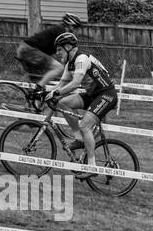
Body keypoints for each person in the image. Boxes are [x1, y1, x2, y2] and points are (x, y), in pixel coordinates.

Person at [46, 32, 116, 176]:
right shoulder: (69, 64)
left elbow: (75, 83)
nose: (57, 54)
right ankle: (79, 138)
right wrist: (44, 92)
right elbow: (60, 86)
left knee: (85, 125)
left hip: (106, 94)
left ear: (68, 47)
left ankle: (92, 167)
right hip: (93, 95)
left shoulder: (81, 59)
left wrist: (56, 93)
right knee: (63, 103)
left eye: (59, 50)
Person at [16, 13, 83, 98]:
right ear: (70, 26)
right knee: (58, 68)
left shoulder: (58, 31)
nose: (77, 31)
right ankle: (38, 89)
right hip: (29, 50)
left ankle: (31, 106)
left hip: (26, 50)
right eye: (76, 28)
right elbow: (68, 52)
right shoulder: (61, 32)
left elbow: (62, 55)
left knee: (42, 80)